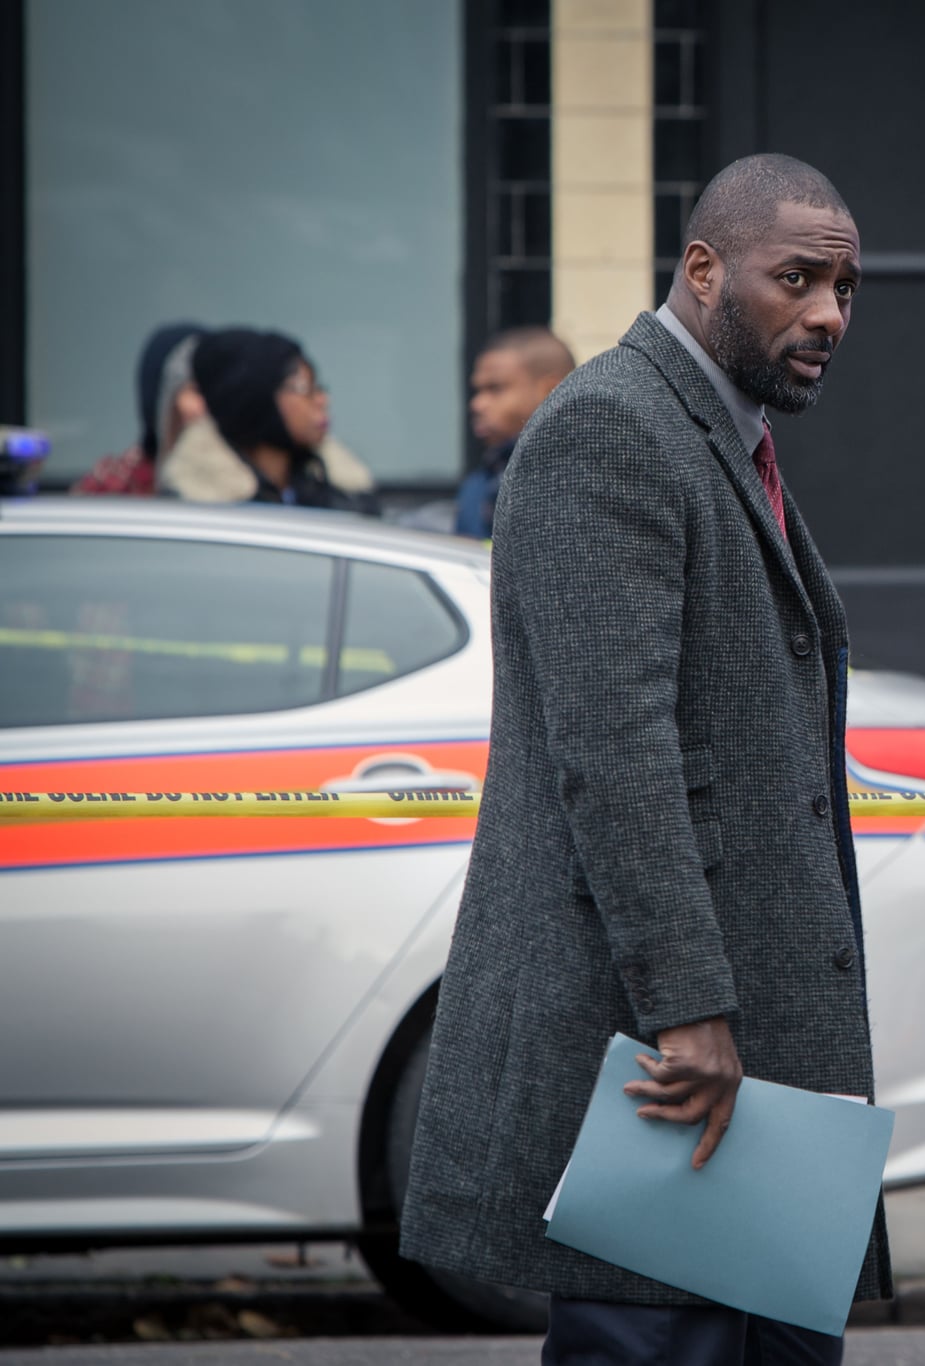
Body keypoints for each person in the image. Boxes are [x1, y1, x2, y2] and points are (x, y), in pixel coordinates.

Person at [399, 153, 883, 1366]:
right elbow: (614, 756)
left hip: (745, 1065)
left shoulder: (717, 429)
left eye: (845, 286)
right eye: (799, 279)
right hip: (664, 1061)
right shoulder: (611, 429)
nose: (828, 313)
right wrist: (690, 1012)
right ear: (703, 269)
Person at [164, 328, 379, 512]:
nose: (322, 399)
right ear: (257, 400)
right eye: (304, 389)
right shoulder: (199, 505)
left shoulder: (342, 488)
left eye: (318, 388)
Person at [458, 327, 576, 538]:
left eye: (496, 389)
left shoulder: (577, 476)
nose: (478, 404)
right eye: (478, 391)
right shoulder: (481, 481)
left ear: (551, 390)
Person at [71, 322, 207, 496]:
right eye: (196, 390)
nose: (205, 406)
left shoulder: (236, 479)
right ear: (161, 398)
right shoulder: (115, 486)